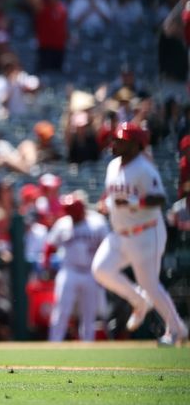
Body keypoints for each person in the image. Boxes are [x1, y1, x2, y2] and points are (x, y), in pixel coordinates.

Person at [91, 122, 189, 347]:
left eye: (121, 140)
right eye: (115, 139)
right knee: (101, 270)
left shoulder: (145, 168)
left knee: (150, 284)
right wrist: (105, 203)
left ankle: (176, 329)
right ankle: (139, 302)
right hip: (120, 233)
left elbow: (160, 198)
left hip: (146, 233)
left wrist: (135, 201)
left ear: (136, 145)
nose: (114, 143)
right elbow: (112, 192)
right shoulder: (113, 165)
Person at [42, 192, 109, 342]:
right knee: (62, 309)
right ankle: (55, 342)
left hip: (91, 272)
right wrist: (46, 264)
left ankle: (88, 344)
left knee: (89, 312)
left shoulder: (97, 222)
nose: (71, 215)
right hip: (69, 270)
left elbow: (107, 247)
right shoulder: (63, 223)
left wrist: (103, 271)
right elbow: (50, 245)